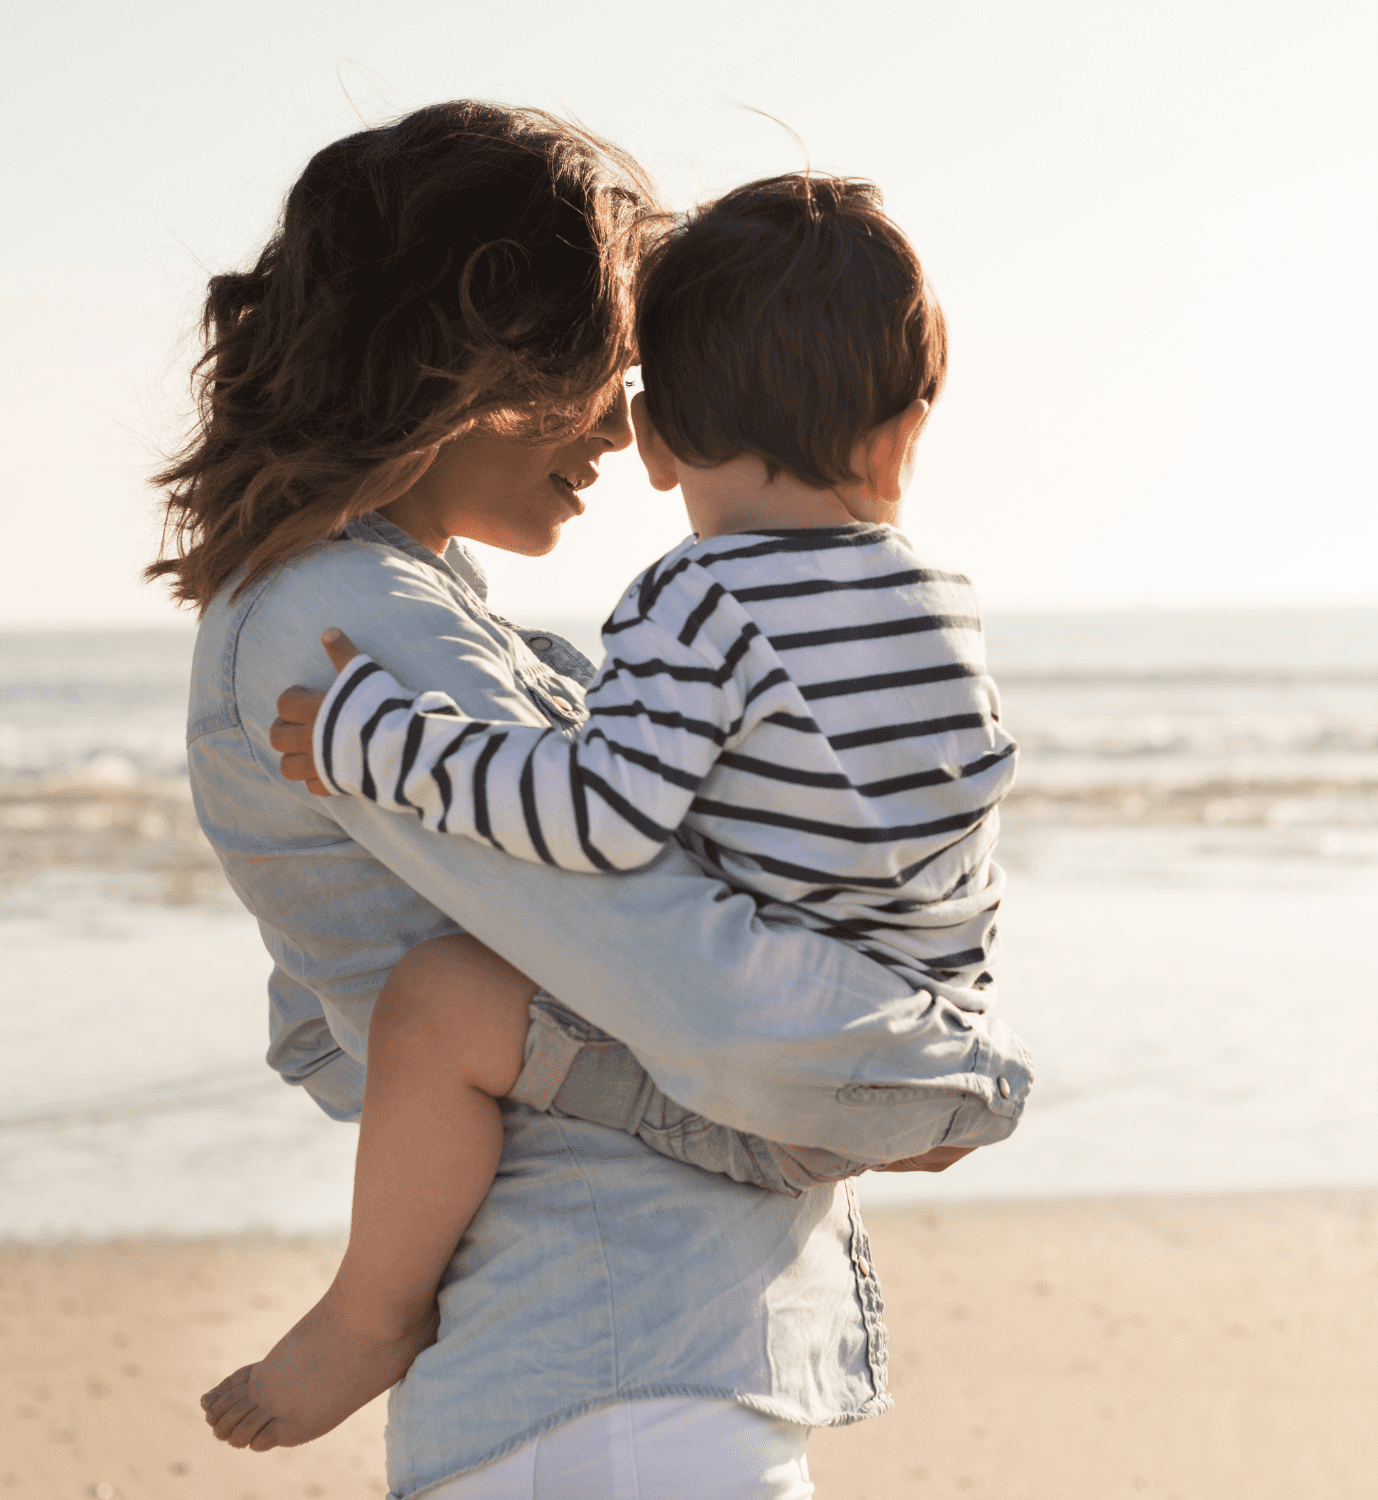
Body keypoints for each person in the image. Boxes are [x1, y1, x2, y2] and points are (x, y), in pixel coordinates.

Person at [152, 102, 1033, 1499]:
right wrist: (924, 1083)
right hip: (615, 1383)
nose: (632, 435)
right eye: (610, 370)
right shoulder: (351, 624)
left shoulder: (389, 613)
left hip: (623, 1381)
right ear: (472, 360)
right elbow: (687, 981)